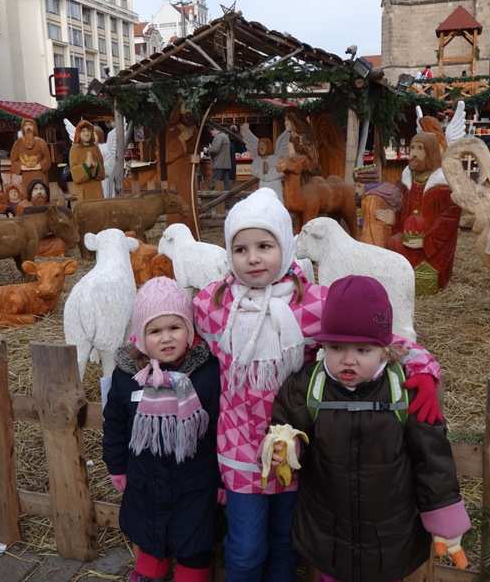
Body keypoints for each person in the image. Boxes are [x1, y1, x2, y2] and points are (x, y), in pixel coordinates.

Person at [192, 187, 443, 582]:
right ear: (228, 253)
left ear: (286, 246)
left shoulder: (311, 303)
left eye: (264, 245)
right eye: (241, 249)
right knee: (245, 548)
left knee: (285, 541)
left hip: (300, 446)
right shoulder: (214, 305)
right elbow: (176, 338)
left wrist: (424, 369)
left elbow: (376, 340)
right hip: (239, 449)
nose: (253, 257)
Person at [269, 275, 470, 582]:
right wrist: (287, 448)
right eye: (336, 347)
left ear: (385, 350)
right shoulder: (307, 387)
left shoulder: (403, 390)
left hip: (388, 536)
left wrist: (446, 522)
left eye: (362, 350)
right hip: (328, 529)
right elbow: (288, 428)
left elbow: (432, 460)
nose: (348, 360)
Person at [103, 277, 220, 582]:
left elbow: (221, 426)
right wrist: (117, 466)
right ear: (141, 335)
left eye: (175, 327)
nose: (166, 338)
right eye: (155, 331)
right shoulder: (128, 376)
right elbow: (114, 423)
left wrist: (222, 479)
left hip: (195, 476)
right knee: (149, 525)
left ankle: (191, 575)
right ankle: (149, 570)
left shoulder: (206, 373)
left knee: (196, 533)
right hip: (145, 474)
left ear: (190, 330)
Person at [388, 132, 462, 294]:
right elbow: (398, 205)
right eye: (412, 147)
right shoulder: (407, 180)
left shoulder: (442, 186)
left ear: (431, 153)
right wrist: (392, 216)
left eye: (420, 148)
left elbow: (449, 220)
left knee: (422, 272)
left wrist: (427, 241)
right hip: (406, 239)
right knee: (391, 244)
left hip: (433, 251)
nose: (414, 153)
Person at [207, 127, 231, 193]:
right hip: (226, 165)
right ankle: (227, 201)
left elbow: (215, 149)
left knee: (214, 183)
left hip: (219, 164)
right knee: (226, 185)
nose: (211, 134)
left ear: (215, 129)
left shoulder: (218, 137)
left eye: (211, 132)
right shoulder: (225, 136)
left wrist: (207, 149)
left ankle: (212, 199)